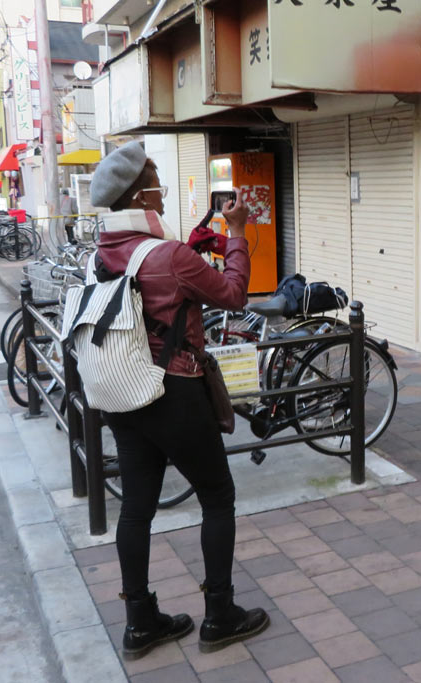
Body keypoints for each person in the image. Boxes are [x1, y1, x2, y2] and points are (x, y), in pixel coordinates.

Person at [89, 140, 268, 659]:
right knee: (217, 496)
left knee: (136, 509)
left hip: (123, 392)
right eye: (157, 181)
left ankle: (141, 622)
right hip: (173, 390)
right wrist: (236, 233)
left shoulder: (102, 253)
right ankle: (220, 615)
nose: (164, 191)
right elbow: (233, 294)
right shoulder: (168, 255)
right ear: (140, 194)